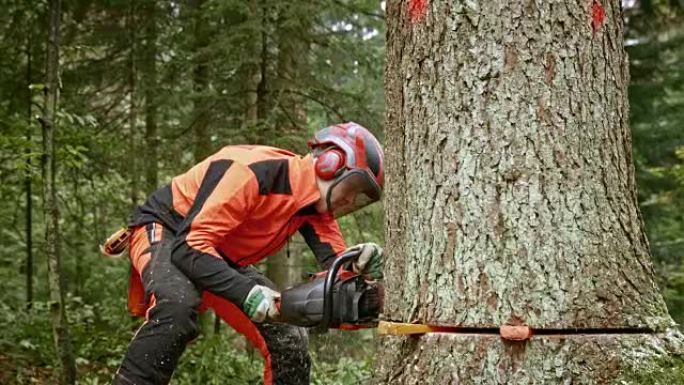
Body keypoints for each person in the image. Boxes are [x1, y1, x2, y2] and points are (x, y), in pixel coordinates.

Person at [110, 122, 385, 385]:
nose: (349, 200)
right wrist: (247, 293)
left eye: (359, 196)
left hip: (215, 253)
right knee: (177, 307)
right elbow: (189, 246)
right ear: (329, 164)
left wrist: (361, 266)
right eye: (351, 189)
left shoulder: (313, 209)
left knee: (287, 335)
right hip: (171, 231)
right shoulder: (251, 172)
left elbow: (337, 274)